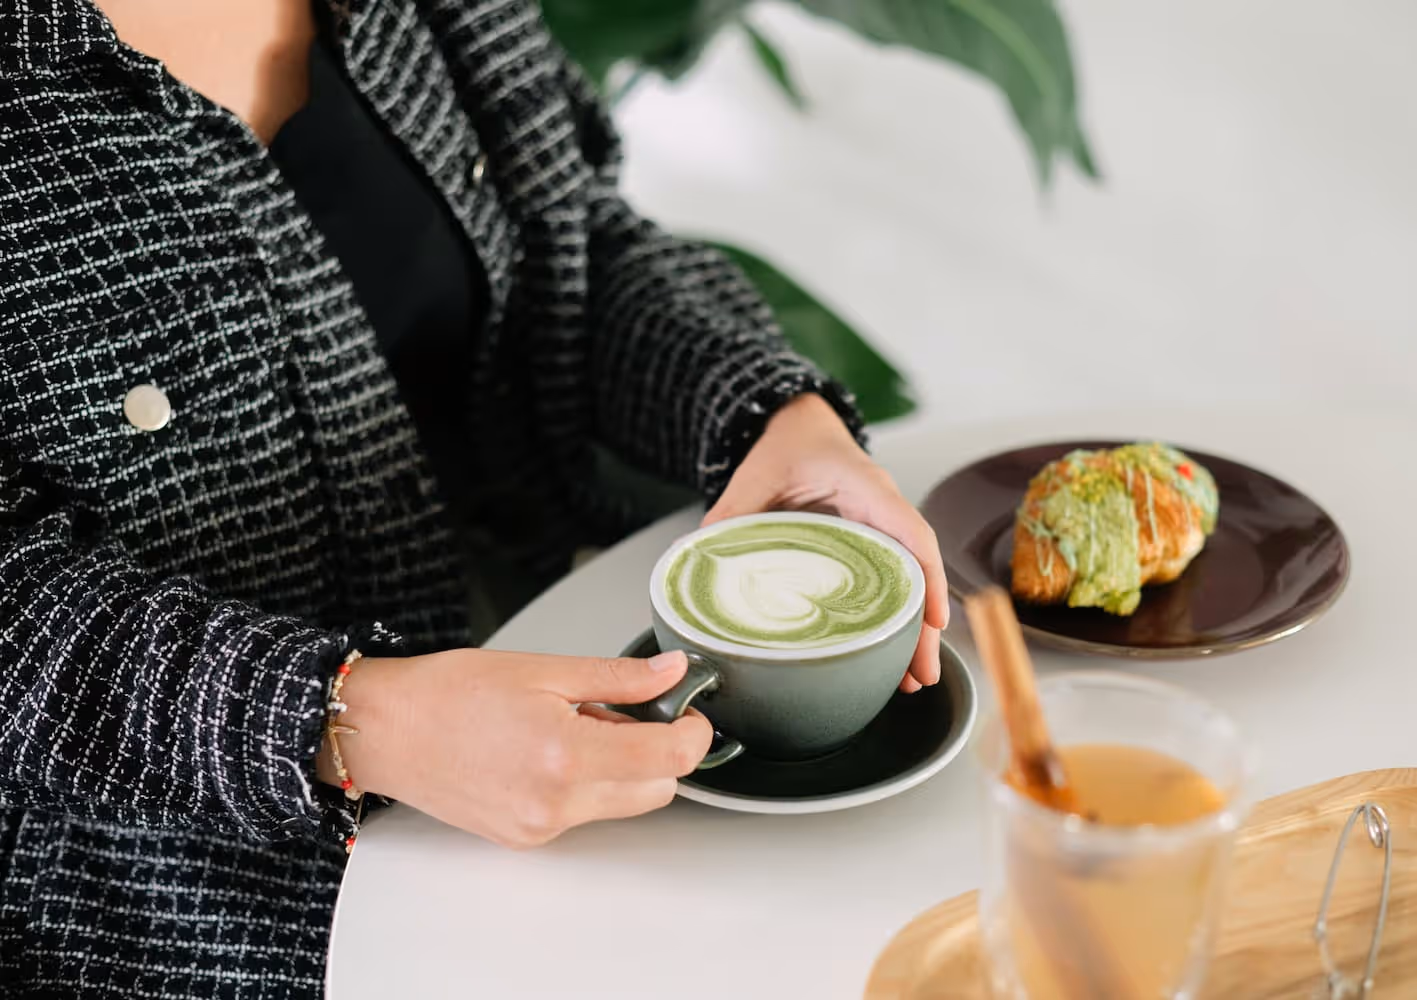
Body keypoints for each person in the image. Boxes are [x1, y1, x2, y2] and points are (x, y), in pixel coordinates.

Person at [0, 0, 948, 996]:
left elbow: (570, 239)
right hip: (197, 928)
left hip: (592, 814)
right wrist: (343, 719)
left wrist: (771, 410)